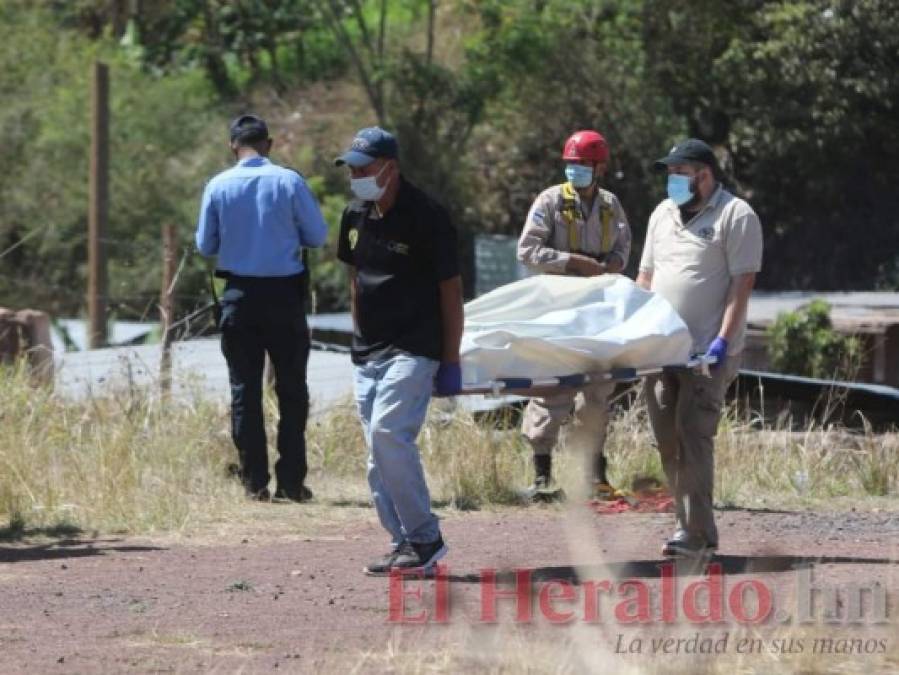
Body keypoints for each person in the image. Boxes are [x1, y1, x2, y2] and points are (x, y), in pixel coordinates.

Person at [335, 127, 464, 575]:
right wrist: (359, 337)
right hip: (368, 352)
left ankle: (426, 539)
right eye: (351, 168)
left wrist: (451, 362)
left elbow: (451, 291)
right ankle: (403, 541)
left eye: (364, 167)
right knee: (377, 454)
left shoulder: (428, 217)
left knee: (390, 434)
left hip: (414, 347)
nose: (355, 175)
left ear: (391, 167)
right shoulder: (354, 215)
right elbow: (356, 279)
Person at [636, 138, 762, 559]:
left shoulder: (736, 216)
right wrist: (634, 334)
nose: (673, 180)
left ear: (704, 176)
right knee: (667, 441)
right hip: (660, 352)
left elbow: (741, 286)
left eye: (680, 172)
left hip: (706, 355)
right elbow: (645, 278)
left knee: (694, 435)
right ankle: (695, 528)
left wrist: (722, 342)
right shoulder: (661, 215)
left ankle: (691, 534)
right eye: (670, 173)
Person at [196, 114, 328, 502]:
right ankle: (291, 481)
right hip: (285, 297)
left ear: (232, 146)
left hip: (239, 297)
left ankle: (255, 483)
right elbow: (317, 236)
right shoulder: (289, 181)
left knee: (244, 390)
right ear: (268, 144)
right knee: (291, 389)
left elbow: (206, 245)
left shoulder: (217, 186)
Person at [516, 130, 632, 502]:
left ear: (600, 167)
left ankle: (595, 476)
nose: (575, 171)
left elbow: (623, 247)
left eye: (582, 165)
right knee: (552, 389)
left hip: (597, 311)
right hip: (557, 310)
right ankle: (541, 476)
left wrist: (613, 263)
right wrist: (571, 262)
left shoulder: (611, 205)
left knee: (597, 391)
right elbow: (528, 251)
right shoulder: (549, 201)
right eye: (571, 165)